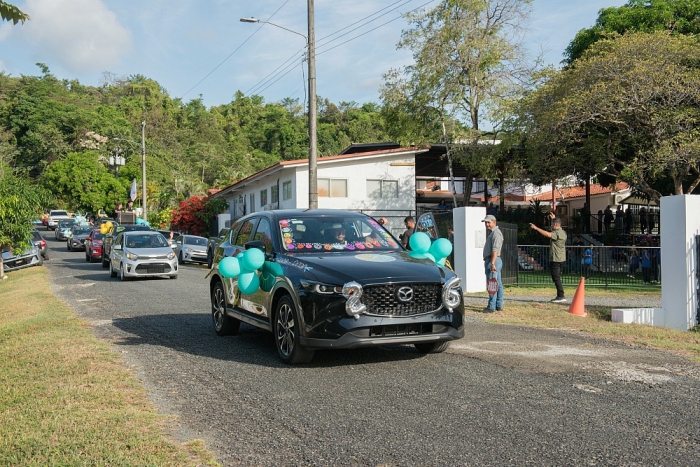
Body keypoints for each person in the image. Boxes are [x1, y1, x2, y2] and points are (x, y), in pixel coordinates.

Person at [530, 212, 568, 303]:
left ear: (555, 225)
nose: (550, 225)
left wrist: (536, 228)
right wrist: (553, 218)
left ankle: (561, 295)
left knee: (556, 278)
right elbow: (554, 229)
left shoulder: (557, 234)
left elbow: (548, 234)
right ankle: (560, 295)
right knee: (557, 277)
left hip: (556, 258)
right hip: (561, 258)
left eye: (552, 224)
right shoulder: (563, 232)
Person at [481, 214, 503, 312]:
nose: (487, 224)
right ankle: (498, 305)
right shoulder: (493, 233)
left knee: (492, 284)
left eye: (489, 222)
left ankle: (491, 307)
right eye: (486, 222)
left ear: (494, 222)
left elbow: (495, 250)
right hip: (493, 260)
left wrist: (492, 263)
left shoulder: (496, 233)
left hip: (493, 260)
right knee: (498, 283)